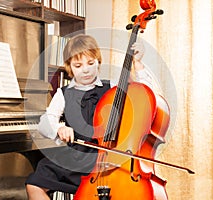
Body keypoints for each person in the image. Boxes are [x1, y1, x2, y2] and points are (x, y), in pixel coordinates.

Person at [25, 34, 159, 200]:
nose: (86, 70)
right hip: (76, 158)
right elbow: (45, 122)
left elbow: (145, 96)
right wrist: (59, 128)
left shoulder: (112, 88)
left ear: (98, 62)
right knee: (34, 184)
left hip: (109, 158)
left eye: (91, 63)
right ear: (69, 67)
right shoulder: (63, 93)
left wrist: (137, 63)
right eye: (78, 65)